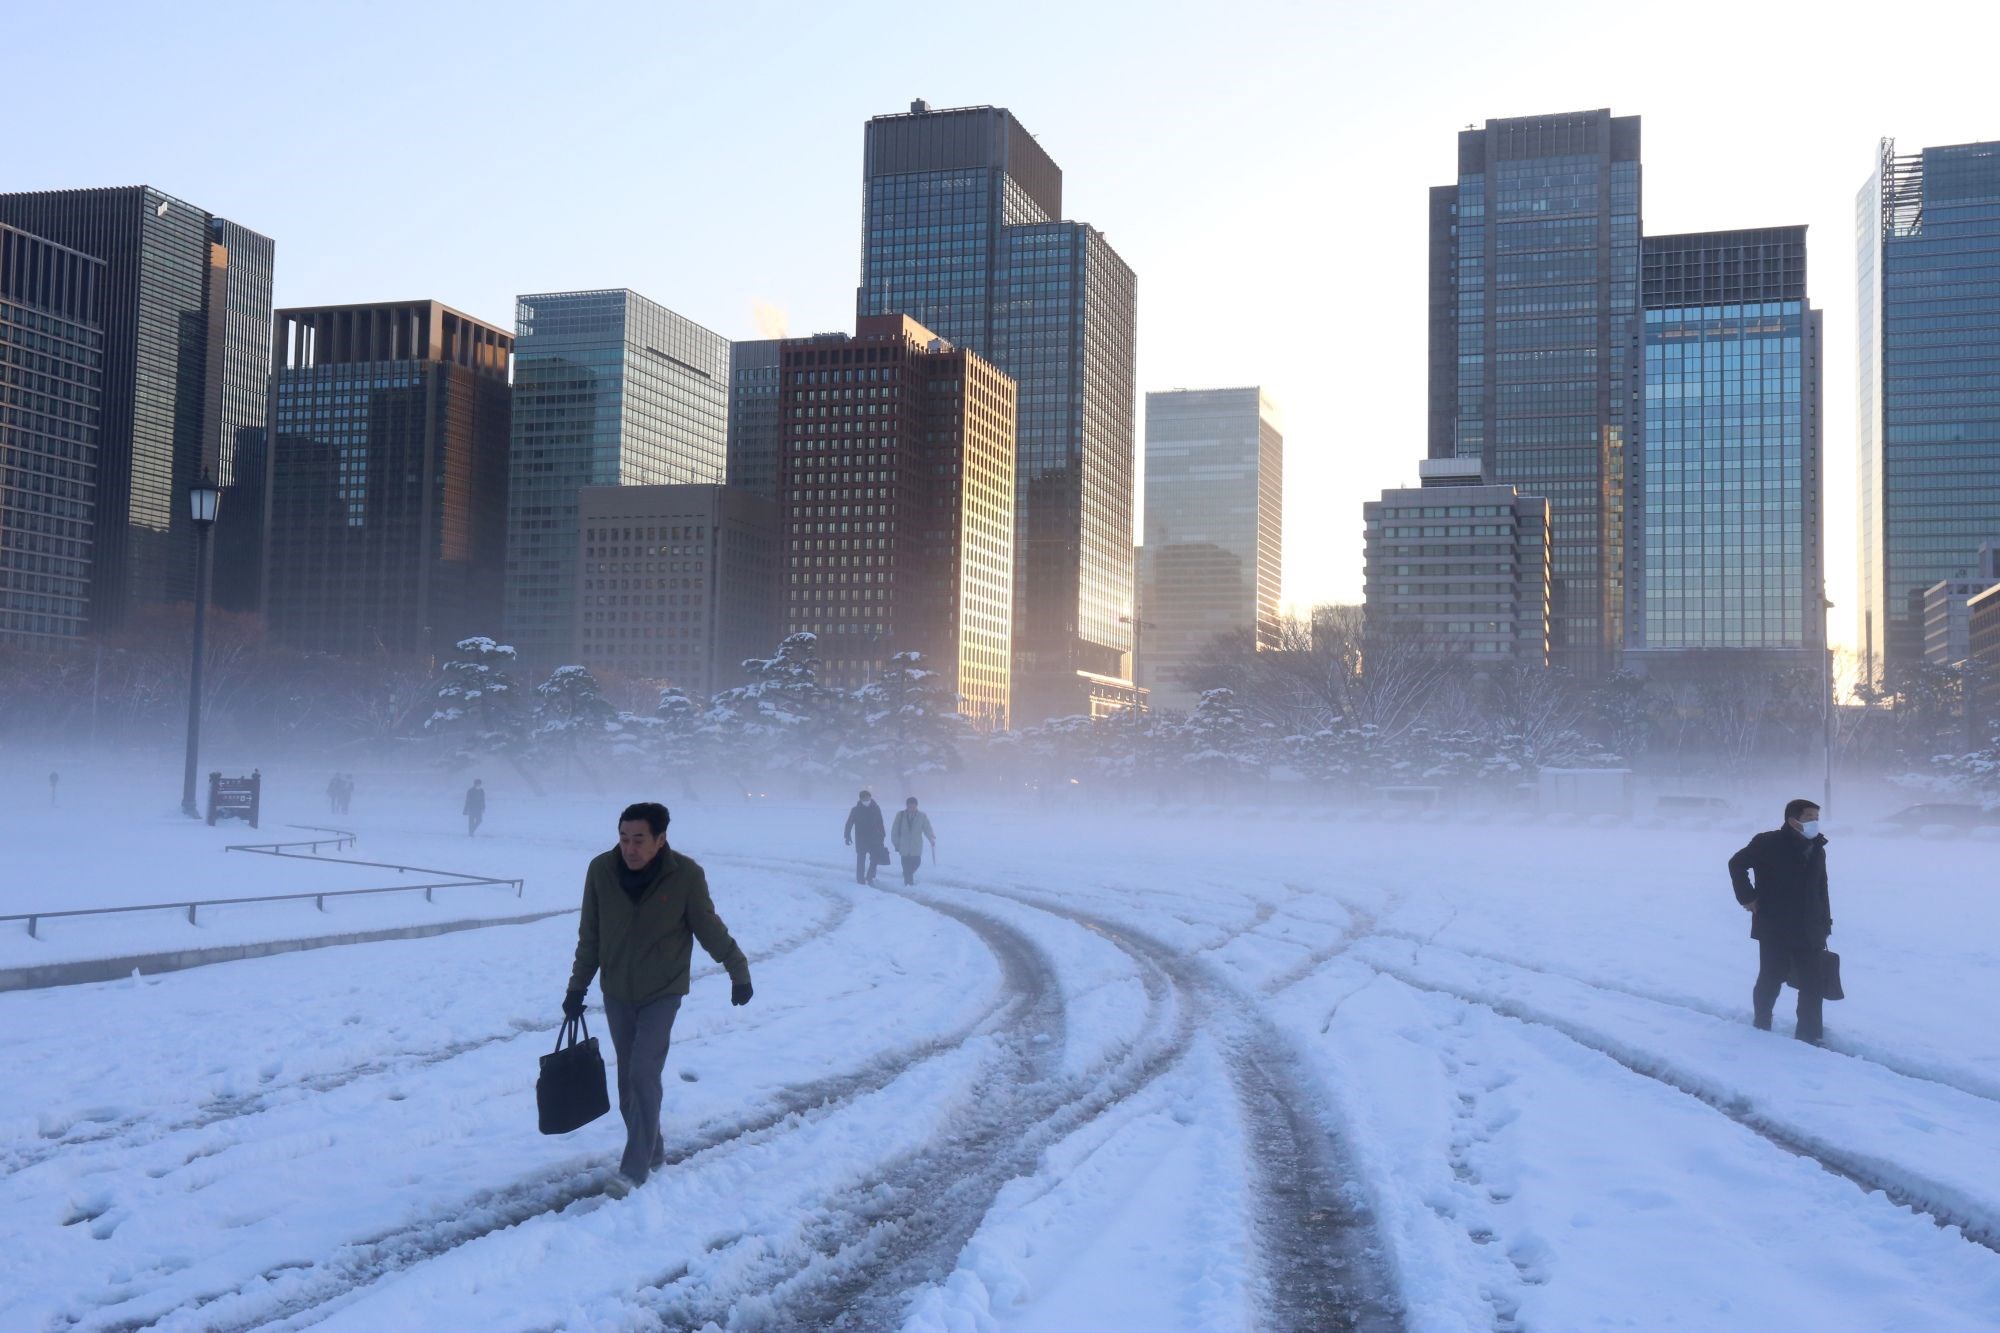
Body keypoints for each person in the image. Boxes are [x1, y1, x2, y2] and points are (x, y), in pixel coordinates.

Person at [563, 802, 752, 1194]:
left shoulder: (685, 876)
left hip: (662, 992)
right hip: (616, 992)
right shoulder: (600, 870)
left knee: (642, 1072)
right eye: (623, 838)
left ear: (661, 839)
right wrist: (577, 987)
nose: (629, 848)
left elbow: (709, 929)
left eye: (639, 840)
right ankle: (653, 1149)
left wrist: (738, 971)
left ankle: (633, 1171)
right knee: (628, 1085)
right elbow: (590, 935)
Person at [1728, 798, 1832, 1043]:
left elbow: (1821, 887)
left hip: (1810, 927)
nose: (1814, 823)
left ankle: (1810, 1035)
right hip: (1775, 925)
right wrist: (1747, 896)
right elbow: (1736, 864)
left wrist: (1825, 922)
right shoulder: (1768, 842)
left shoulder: (1818, 847)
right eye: (1808, 818)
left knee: (1812, 983)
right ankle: (1762, 1021)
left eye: (1816, 818)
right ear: (1792, 820)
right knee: (1771, 977)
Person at [842, 789, 887, 885]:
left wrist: (883, 834)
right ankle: (860, 880)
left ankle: (870, 876)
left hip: (874, 838)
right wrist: (847, 835)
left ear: (870, 797)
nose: (866, 799)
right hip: (861, 839)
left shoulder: (876, 808)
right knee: (861, 860)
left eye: (868, 797)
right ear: (861, 799)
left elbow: (880, 822)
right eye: (864, 798)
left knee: (875, 858)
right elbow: (849, 823)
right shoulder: (855, 810)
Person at [890, 796, 937, 886]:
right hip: (903, 846)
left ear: (916, 806)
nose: (911, 808)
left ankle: (907, 878)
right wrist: (896, 843)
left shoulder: (922, 816)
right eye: (909, 806)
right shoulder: (900, 815)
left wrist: (931, 838)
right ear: (907, 806)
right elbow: (894, 830)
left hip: (916, 846)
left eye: (913, 806)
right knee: (906, 867)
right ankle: (908, 885)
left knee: (916, 863)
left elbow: (927, 828)